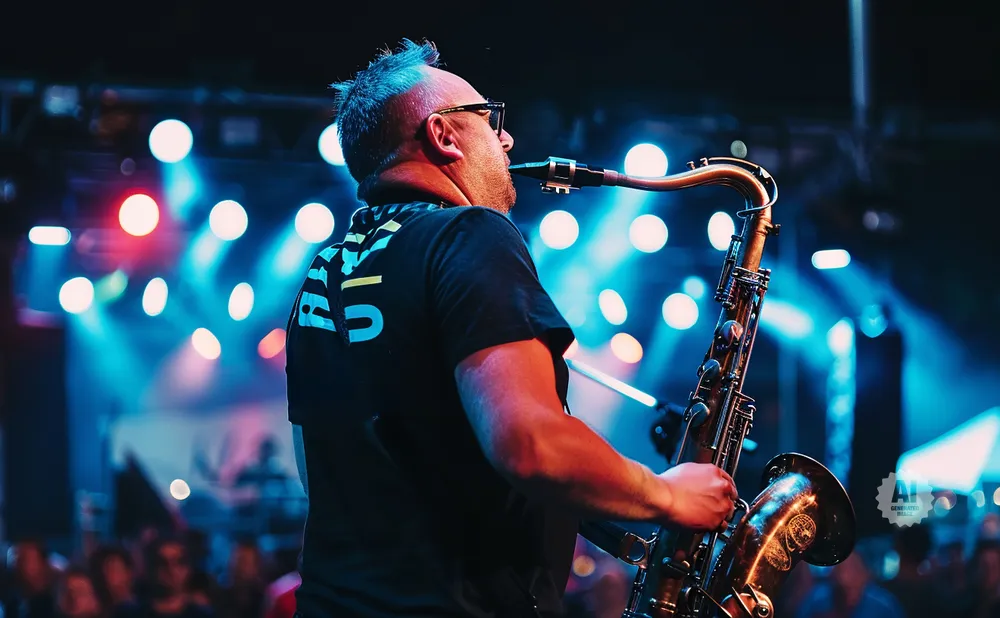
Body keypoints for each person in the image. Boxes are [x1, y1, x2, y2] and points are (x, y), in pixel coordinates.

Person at [284, 38, 737, 618]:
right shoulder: (467, 232)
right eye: (489, 119)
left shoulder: (323, 271)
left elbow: (314, 471)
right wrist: (669, 495)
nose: (507, 139)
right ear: (443, 135)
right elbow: (530, 444)